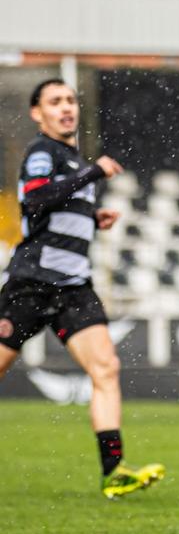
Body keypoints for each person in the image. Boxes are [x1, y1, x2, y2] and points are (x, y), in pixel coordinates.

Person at [0, 78, 165, 499]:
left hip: (73, 286)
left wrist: (92, 217)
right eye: (55, 102)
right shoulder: (43, 152)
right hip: (33, 283)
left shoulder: (73, 160)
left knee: (106, 369)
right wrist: (94, 171)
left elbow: (56, 210)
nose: (66, 107)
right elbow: (35, 201)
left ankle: (114, 471)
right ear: (38, 113)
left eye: (70, 100)